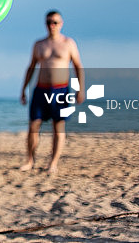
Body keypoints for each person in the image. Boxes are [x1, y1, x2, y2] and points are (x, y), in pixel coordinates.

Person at [19, 10, 84, 173]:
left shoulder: (69, 43)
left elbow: (78, 67)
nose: (51, 25)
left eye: (55, 22)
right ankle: (29, 160)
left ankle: (53, 163)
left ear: (61, 24)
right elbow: (31, 67)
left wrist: (80, 89)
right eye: (48, 22)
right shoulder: (39, 44)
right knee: (33, 125)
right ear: (45, 24)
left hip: (61, 90)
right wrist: (23, 89)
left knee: (58, 126)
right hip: (40, 89)